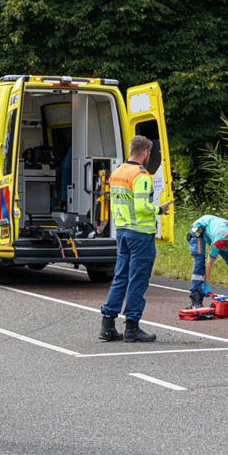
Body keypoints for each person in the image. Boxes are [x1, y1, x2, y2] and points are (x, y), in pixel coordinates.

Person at [98, 135, 173, 343]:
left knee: (120, 278)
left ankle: (107, 326)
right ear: (145, 152)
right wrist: (159, 209)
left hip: (122, 231)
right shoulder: (141, 175)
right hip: (140, 234)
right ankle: (132, 327)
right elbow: (142, 206)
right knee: (137, 280)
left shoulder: (118, 172)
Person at [186, 215, 228, 309]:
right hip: (199, 229)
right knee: (199, 262)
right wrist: (207, 285)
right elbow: (209, 263)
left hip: (217, 231)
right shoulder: (219, 242)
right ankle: (196, 296)